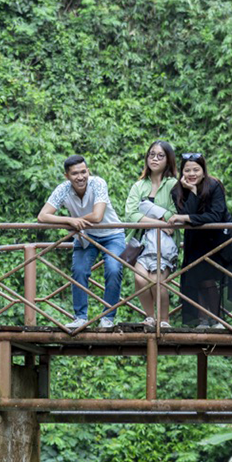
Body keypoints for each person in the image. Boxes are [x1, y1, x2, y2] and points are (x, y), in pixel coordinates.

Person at [38, 154, 127, 330]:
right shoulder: (63, 189)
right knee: (79, 271)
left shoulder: (98, 183)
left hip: (111, 233)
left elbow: (97, 215)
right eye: (74, 173)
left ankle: (108, 318)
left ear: (88, 171)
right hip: (84, 235)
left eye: (83, 172)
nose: (80, 177)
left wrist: (75, 220)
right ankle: (80, 317)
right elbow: (42, 216)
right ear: (67, 176)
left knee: (114, 268)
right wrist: (69, 221)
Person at [170, 153, 232, 326]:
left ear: (203, 171)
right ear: (181, 172)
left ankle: (216, 319)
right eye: (187, 170)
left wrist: (189, 216)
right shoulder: (178, 191)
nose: (191, 174)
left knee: (211, 278)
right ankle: (203, 319)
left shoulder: (214, 185)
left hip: (218, 239)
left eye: (196, 169)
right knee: (198, 278)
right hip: (196, 240)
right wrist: (193, 194)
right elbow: (185, 215)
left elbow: (215, 216)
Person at [123, 141, 180, 327]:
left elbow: (175, 214)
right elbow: (131, 214)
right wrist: (160, 223)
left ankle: (164, 320)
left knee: (157, 281)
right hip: (142, 242)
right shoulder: (139, 186)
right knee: (139, 278)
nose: (155, 159)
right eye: (151, 155)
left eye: (160, 156)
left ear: (168, 160)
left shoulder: (174, 185)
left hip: (164, 243)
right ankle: (150, 317)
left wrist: (148, 209)